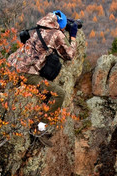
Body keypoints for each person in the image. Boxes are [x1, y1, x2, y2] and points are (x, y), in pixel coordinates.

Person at [7, 10, 78, 144]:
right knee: (59, 94)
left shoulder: (39, 27)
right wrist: (72, 35)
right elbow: (69, 55)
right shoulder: (56, 34)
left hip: (12, 66)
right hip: (26, 73)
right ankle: (39, 129)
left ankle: (39, 118)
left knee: (45, 92)